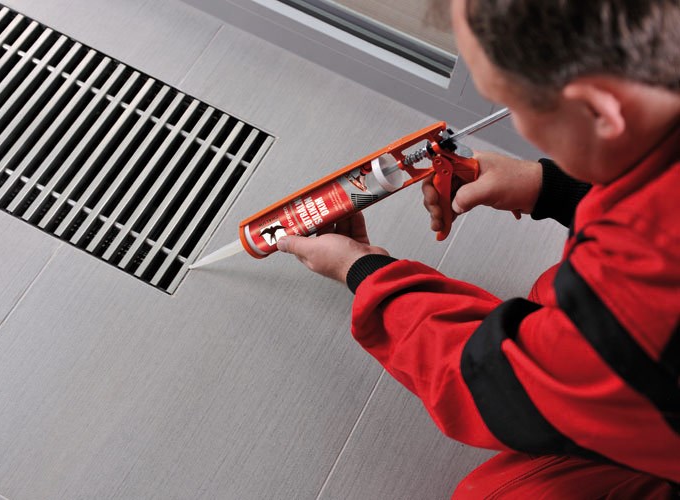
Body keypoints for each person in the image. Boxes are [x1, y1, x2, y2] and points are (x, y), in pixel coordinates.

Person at [277, 0, 680, 497]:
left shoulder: (643, 286)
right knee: (551, 295)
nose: (520, 128)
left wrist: (366, 274)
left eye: (512, 106)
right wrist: (553, 188)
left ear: (600, 111)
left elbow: (503, 389)